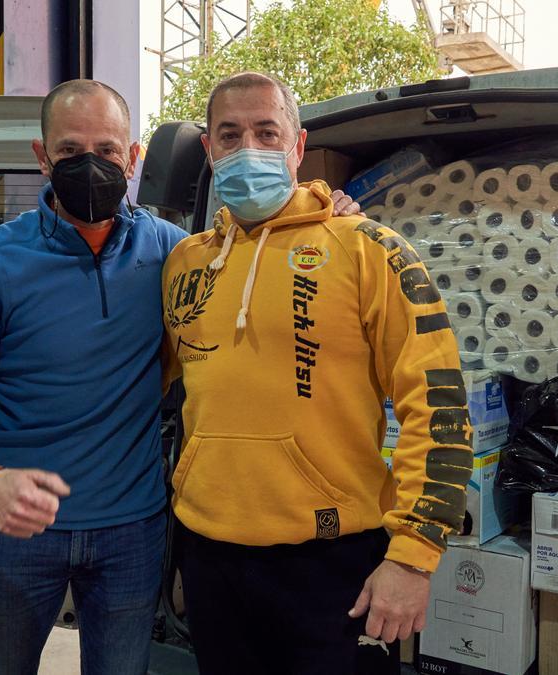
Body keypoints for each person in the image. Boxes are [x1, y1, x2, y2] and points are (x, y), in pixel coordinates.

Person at [0, 78, 364, 675]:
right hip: (15, 532)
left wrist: (330, 214)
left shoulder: (174, 253)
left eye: (109, 150)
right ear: (42, 158)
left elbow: (255, 261)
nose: (91, 165)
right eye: (69, 151)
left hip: (131, 534)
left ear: (133, 157)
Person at [161, 71, 474, 675]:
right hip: (209, 558)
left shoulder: (368, 250)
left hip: (332, 563)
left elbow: (436, 404)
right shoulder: (184, 263)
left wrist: (412, 557)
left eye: (266, 132)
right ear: (209, 149)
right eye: (230, 134)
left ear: (297, 147)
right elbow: (147, 381)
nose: (247, 148)